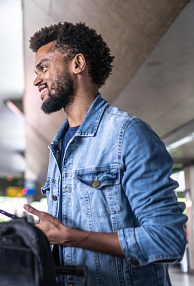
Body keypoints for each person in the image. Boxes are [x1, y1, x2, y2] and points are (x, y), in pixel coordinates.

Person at [23, 22, 187, 285]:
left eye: (43, 67)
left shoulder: (128, 134)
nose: (36, 79)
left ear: (77, 64)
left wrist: (71, 236)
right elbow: (65, 243)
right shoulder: (58, 146)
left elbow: (167, 239)